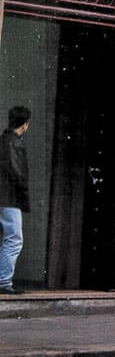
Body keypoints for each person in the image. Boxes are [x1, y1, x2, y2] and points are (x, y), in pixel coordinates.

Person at [0, 106, 31, 294]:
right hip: (9, 198)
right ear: (25, 124)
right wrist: (25, 195)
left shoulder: (2, 140)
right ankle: (3, 282)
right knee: (14, 239)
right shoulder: (15, 143)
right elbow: (17, 173)